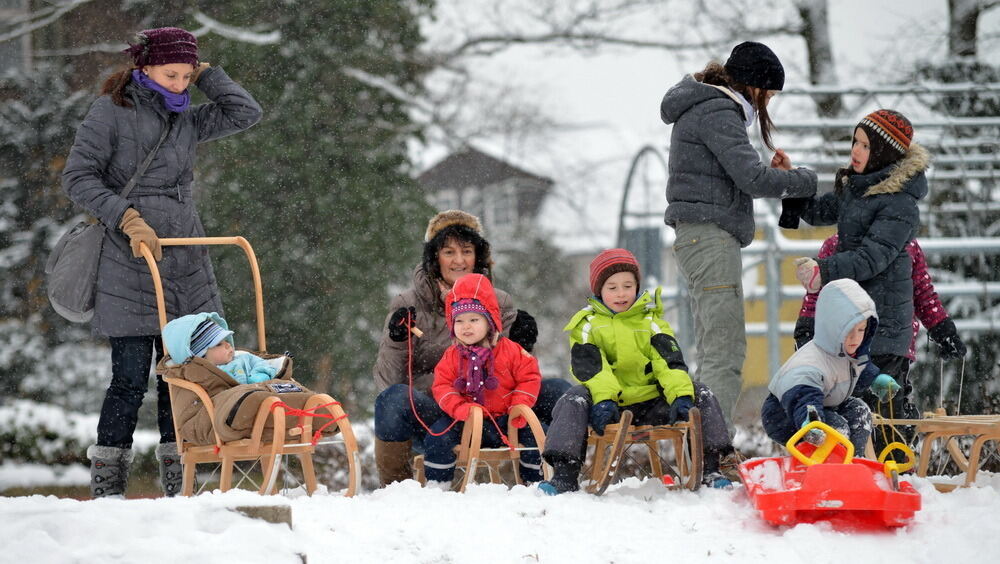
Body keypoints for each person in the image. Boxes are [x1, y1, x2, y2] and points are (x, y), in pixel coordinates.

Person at [62, 27, 262, 498]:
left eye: (187, 76)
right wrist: (127, 217)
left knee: (185, 380)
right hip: (130, 261)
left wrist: (211, 76)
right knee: (130, 379)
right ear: (144, 67)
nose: (179, 85)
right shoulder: (111, 111)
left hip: (186, 262)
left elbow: (246, 112)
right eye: (171, 74)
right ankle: (108, 487)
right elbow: (77, 177)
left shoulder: (188, 117)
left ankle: (183, 480)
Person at [660, 41, 818, 424]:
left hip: (702, 238)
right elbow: (752, 177)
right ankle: (713, 449)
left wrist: (779, 177)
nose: (769, 104)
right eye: (770, 94)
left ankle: (701, 443)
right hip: (710, 239)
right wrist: (803, 181)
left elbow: (735, 174)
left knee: (715, 348)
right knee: (725, 351)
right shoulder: (718, 110)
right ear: (754, 85)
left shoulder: (706, 108)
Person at [372, 210, 571, 487]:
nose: (459, 260)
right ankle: (397, 488)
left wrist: (524, 343)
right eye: (448, 252)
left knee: (562, 391)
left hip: (497, 405)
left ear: (478, 256)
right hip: (438, 407)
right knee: (391, 399)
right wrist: (397, 340)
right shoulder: (408, 304)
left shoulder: (499, 301)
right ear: (434, 257)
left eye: (466, 251)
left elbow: (521, 369)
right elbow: (387, 381)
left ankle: (558, 475)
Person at [538, 249, 737, 495]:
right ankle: (565, 474)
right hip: (610, 407)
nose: (621, 293)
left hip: (651, 402)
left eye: (627, 285)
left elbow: (669, 362)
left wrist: (681, 396)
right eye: (612, 287)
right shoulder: (587, 327)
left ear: (637, 287)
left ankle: (711, 467)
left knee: (701, 392)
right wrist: (604, 400)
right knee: (573, 398)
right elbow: (591, 368)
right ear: (599, 291)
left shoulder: (652, 323)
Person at [787, 110, 931, 430]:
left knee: (885, 413)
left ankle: (896, 473)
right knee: (856, 410)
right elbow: (817, 210)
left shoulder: (900, 204)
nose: (855, 150)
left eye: (865, 145)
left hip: (885, 328)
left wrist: (824, 270)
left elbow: (871, 258)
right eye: (855, 141)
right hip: (856, 322)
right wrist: (791, 181)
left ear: (883, 153)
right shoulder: (858, 189)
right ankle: (861, 474)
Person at [423, 274, 543, 485]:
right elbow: (442, 386)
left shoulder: (511, 351)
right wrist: (459, 408)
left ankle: (534, 480)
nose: (466, 327)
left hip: (506, 419)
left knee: (536, 433)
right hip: (465, 419)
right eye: (459, 321)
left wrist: (519, 406)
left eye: (474, 320)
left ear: (490, 322)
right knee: (437, 437)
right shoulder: (452, 355)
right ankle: (437, 485)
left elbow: (530, 376)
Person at [762, 279, 900, 455]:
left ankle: (853, 461)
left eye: (861, 330)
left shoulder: (850, 353)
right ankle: (831, 469)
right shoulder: (809, 365)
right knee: (836, 427)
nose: (855, 338)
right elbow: (803, 398)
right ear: (833, 329)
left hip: (826, 404)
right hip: (786, 414)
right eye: (848, 331)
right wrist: (810, 422)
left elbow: (859, 368)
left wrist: (876, 380)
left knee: (859, 411)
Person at [161, 313, 277, 384]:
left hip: (261, 396)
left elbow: (262, 363)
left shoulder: (243, 358)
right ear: (202, 358)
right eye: (218, 344)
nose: (228, 345)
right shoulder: (205, 377)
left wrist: (259, 375)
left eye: (226, 340)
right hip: (237, 410)